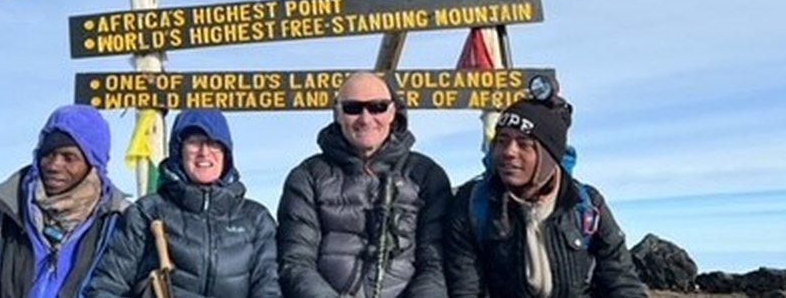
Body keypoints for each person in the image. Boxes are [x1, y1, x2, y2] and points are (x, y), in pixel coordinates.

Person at [444, 77, 647, 297]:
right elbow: (465, 289)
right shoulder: (472, 204)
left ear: (550, 156)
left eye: (524, 144)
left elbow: (621, 281)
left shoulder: (587, 205)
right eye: (502, 141)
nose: (509, 152)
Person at [0, 104, 128, 298]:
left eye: (69, 157)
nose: (54, 165)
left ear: (94, 165)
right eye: (48, 154)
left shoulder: (122, 223)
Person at [276, 71, 451, 298]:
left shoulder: (426, 175)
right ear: (338, 114)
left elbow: (435, 265)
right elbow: (295, 262)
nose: (365, 118)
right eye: (352, 108)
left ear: (393, 112)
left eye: (377, 107)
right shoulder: (307, 177)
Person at [84, 108, 281, 297]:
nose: (204, 152)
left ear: (226, 154)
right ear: (179, 151)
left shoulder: (255, 219)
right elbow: (107, 286)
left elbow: (268, 288)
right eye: (194, 142)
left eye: (214, 144)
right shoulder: (146, 213)